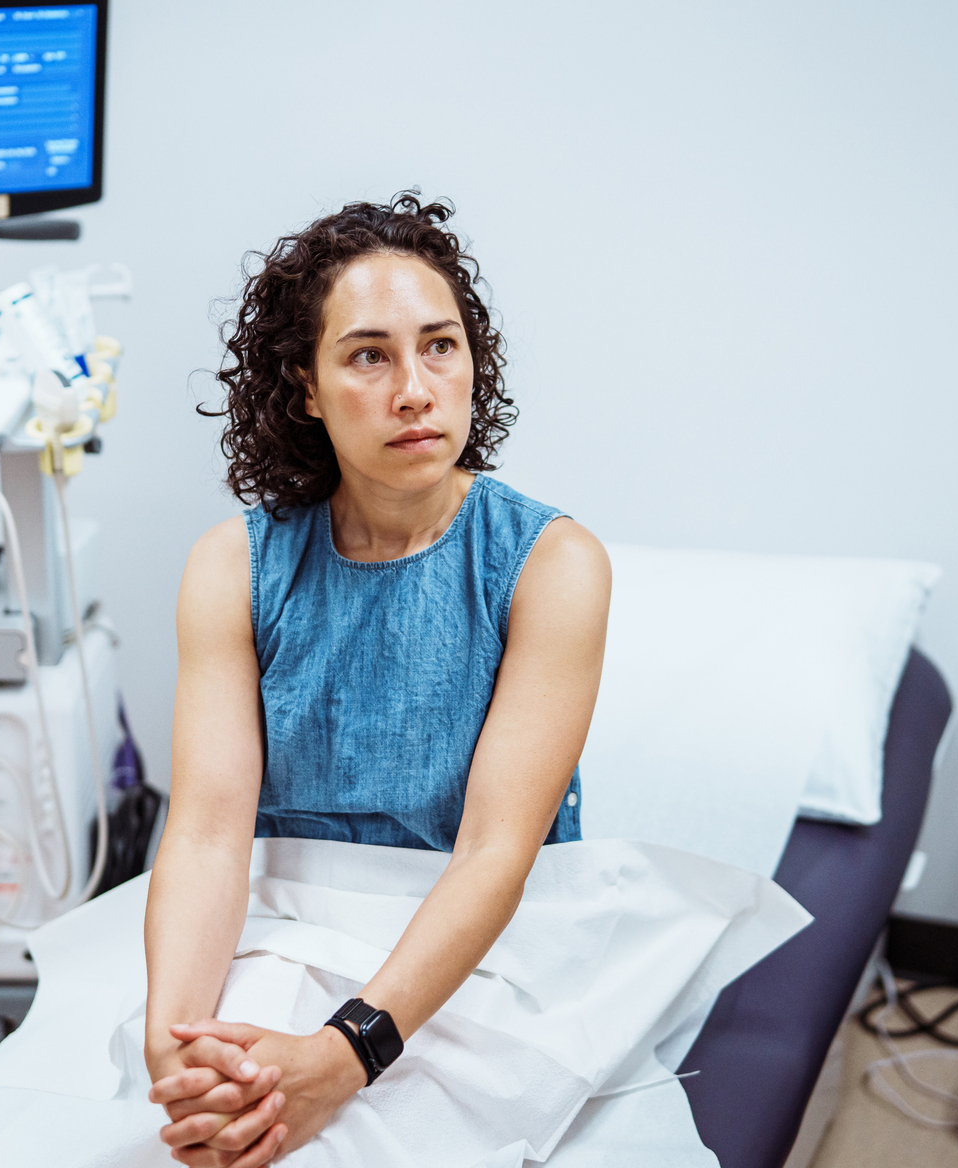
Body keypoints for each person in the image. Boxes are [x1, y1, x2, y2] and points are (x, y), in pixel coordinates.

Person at [140, 192, 612, 1167]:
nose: (414, 388)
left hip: (477, 946)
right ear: (305, 386)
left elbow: (492, 854)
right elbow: (208, 830)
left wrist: (345, 1054)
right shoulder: (234, 568)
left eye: (440, 345)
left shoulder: (552, 566)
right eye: (369, 354)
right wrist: (174, 1036)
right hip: (285, 920)